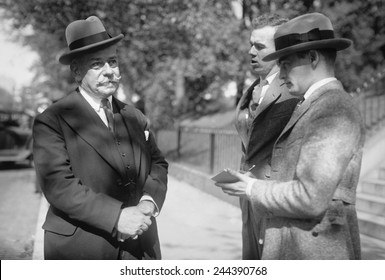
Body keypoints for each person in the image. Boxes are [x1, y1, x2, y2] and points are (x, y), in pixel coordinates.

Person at [216, 13, 365, 259]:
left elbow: (310, 197)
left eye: (285, 64)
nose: (281, 75)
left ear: (313, 57)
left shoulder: (333, 109)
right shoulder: (312, 105)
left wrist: (252, 187)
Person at [33, 16, 168, 260]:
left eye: (113, 62)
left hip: (140, 247)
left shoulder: (135, 116)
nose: (109, 72)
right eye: (97, 64)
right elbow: (59, 186)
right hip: (83, 249)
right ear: (77, 71)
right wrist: (117, 217)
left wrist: (148, 203)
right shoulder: (52, 120)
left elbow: (158, 165)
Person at [234, 14, 299, 259]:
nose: (251, 51)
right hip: (249, 198)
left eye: (260, 46)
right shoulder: (251, 89)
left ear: (281, 51)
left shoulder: (293, 91)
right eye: (251, 44)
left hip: (274, 198)